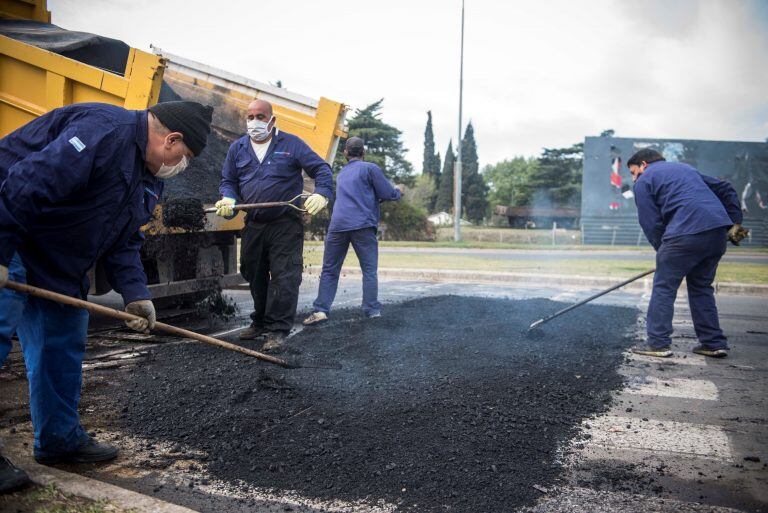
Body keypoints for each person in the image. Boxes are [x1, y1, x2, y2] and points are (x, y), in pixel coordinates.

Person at [0, 100, 213, 491]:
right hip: (9, 225)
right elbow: (26, 184)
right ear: (172, 139)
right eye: (186, 157)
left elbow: (125, 238)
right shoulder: (104, 132)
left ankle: (59, 439)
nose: (184, 166)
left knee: (63, 338)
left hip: (53, 255)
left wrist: (136, 293)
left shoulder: (150, 176)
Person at [215, 99, 333, 350]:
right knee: (253, 274)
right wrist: (228, 197)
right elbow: (228, 180)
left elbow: (321, 169)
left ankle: (278, 329)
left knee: (285, 276)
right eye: (250, 117)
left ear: (272, 120)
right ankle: (260, 322)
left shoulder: (291, 144)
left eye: (260, 116)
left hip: (285, 223)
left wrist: (322, 193)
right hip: (254, 223)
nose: (254, 122)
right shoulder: (238, 148)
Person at [628, 149, 744, 359]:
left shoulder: (644, 181)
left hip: (684, 234)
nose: (634, 177)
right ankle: (713, 343)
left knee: (664, 287)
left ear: (643, 164)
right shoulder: (686, 169)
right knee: (701, 287)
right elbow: (726, 188)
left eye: (633, 171)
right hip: (717, 233)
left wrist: (663, 252)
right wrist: (734, 222)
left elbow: (651, 223)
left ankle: (658, 344)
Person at [303, 137, 402, 325]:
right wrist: (399, 191)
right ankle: (371, 311)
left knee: (330, 270)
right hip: (362, 226)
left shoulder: (340, 175)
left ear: (345, 153)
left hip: (337, 226)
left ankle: (321, 310)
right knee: (369, 270)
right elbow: (387, 194)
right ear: (363, 152)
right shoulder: (370, 168)